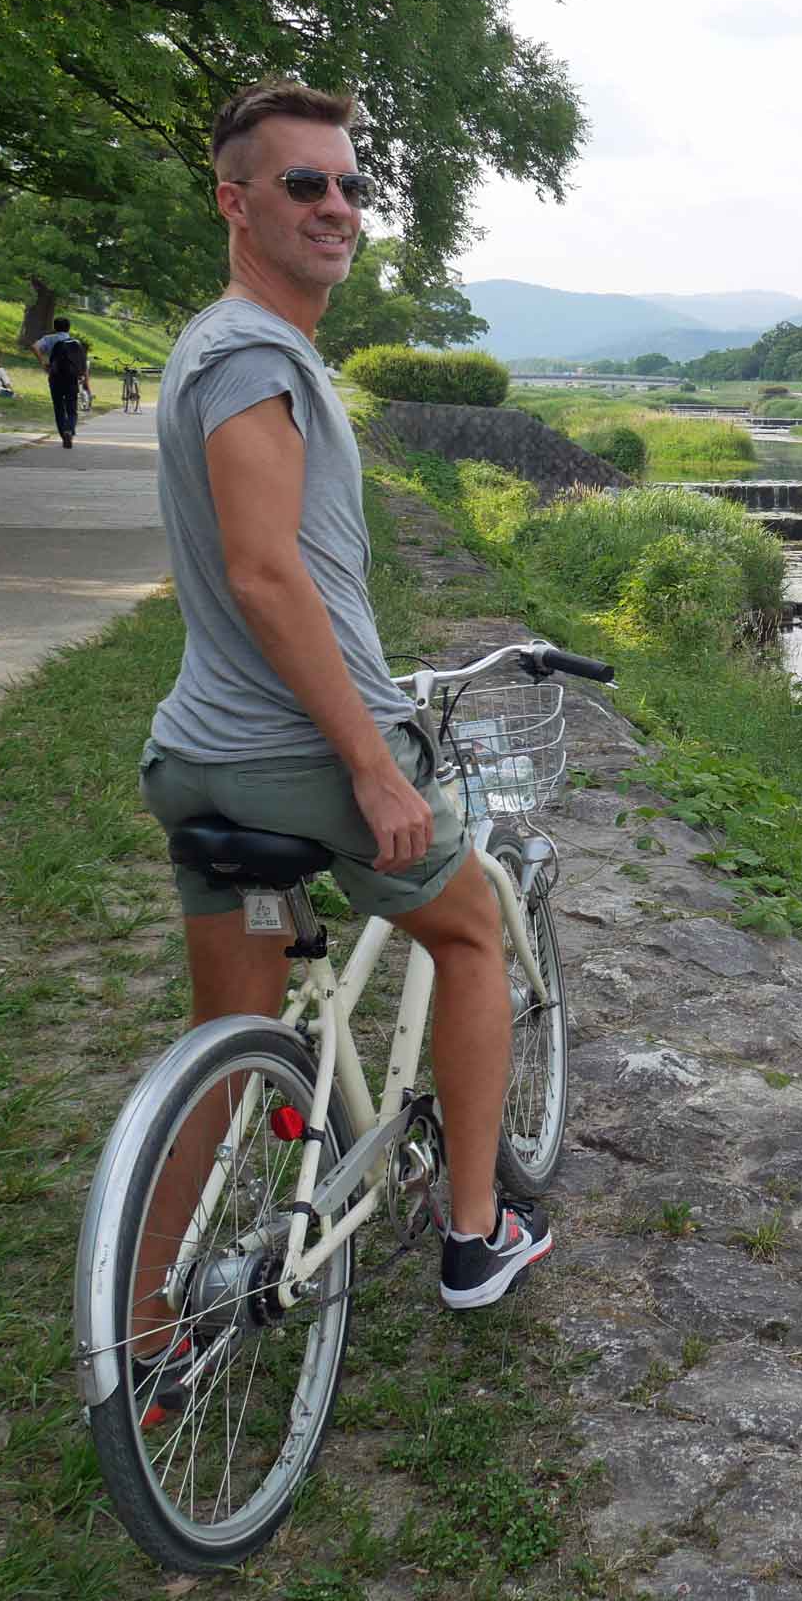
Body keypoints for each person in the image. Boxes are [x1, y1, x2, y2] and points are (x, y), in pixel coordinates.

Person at [132, 77, 543, 1394]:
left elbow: (280, 569)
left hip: (203, 750)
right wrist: (372, 759)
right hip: (306, 756)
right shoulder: (254, 352)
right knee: (471, 931)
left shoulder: (223, 346)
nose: (337, 205)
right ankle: (476, 1237)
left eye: (353, 184)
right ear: (235, 201)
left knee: (225, 1049)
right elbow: (264, 573)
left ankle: (143, 1336)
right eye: (304, 182)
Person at [35, 316, 88, 446]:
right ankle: (69, 429)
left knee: (58, 407)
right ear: (68, 328)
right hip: (71, 378)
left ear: (55, 327)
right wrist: (83, 377)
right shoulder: (75, 342)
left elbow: (34, 346)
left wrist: (43, 362)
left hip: (55, 376)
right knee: (71, 407)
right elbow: (82, 362)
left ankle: (63, 433)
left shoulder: (48, 339)